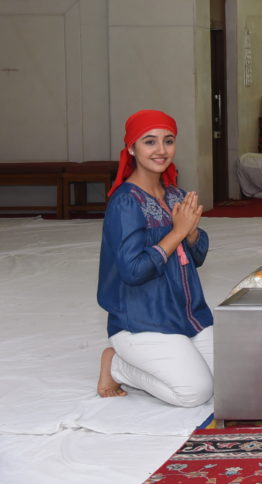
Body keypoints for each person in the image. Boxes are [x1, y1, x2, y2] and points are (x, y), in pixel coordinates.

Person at [96, 109, 214, 407]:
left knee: (231, 381)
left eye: (168, 141)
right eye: (150, 142)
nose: (161, 150)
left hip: (188, 315)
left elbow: (196, 257)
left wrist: (190, 234)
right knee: (195, 393)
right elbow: (132, 271)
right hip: (142, 320)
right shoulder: (125, 203)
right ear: (132, 148)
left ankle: (177, 351)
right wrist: (177, 232)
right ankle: (117, 366)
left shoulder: (176, 194)